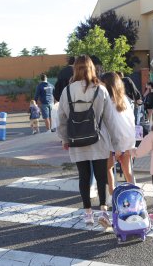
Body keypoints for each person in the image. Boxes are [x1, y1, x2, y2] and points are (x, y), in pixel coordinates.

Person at [57, 55, 122, 228]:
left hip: (77, 139)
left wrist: (64, 138)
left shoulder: (67, 91)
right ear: (92, 69)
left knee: (84, 177)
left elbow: (61, 119)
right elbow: (110, 119)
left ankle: (87, 213)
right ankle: (103, 212)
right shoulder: (100, 90)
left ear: (75, 69)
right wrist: (117, 144)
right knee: (101, 177)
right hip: (99, 140)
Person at [100, 72, 135, 199]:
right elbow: (132, 120)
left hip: (112, 140)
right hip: (127, 140)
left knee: (108, 169)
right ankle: (133, 196)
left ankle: (113, 196)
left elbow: (108, 124)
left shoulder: (105, 101)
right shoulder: (125, 99)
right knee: (128, 172)